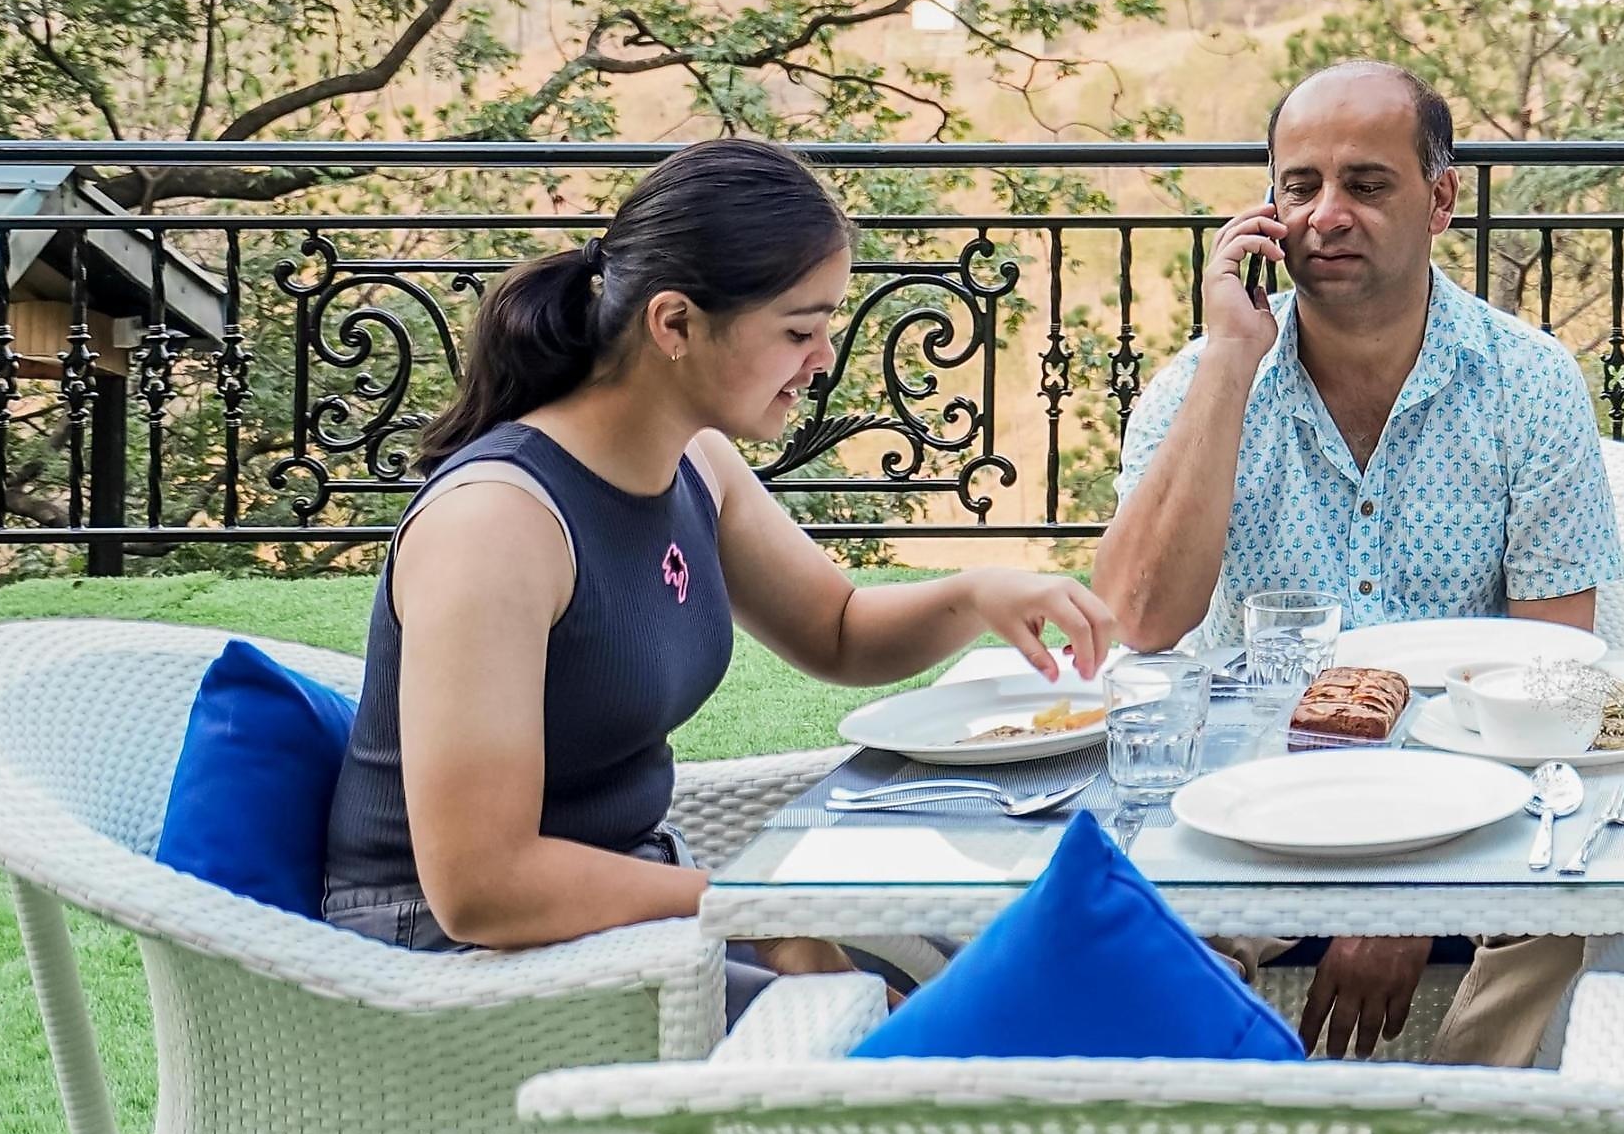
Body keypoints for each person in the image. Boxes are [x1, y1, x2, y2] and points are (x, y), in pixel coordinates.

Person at [320, 139, 1117, 1010]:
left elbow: (837, 631)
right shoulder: (497, 524)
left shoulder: (697, 462)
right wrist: (759, 912)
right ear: (674, 324)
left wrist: (975, 594)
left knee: (1012, 972)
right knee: (904, 1038)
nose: (823, 359)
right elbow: (482, 886)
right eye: (798, 331)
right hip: (448, 964)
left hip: (620, 902)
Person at [1091, 59, 1624, 1062]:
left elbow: (1552, 673)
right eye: (1300, 186)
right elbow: (1139, 620)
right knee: (1137, 918)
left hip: (1470, 805)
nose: (1327, 215)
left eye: (1367, 185)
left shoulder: (1528, 382)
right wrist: (1230, 363)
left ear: (1440, 201)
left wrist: (1411, 885)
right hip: (1251, 805)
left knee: (1564, 914)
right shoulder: (1198, 385)